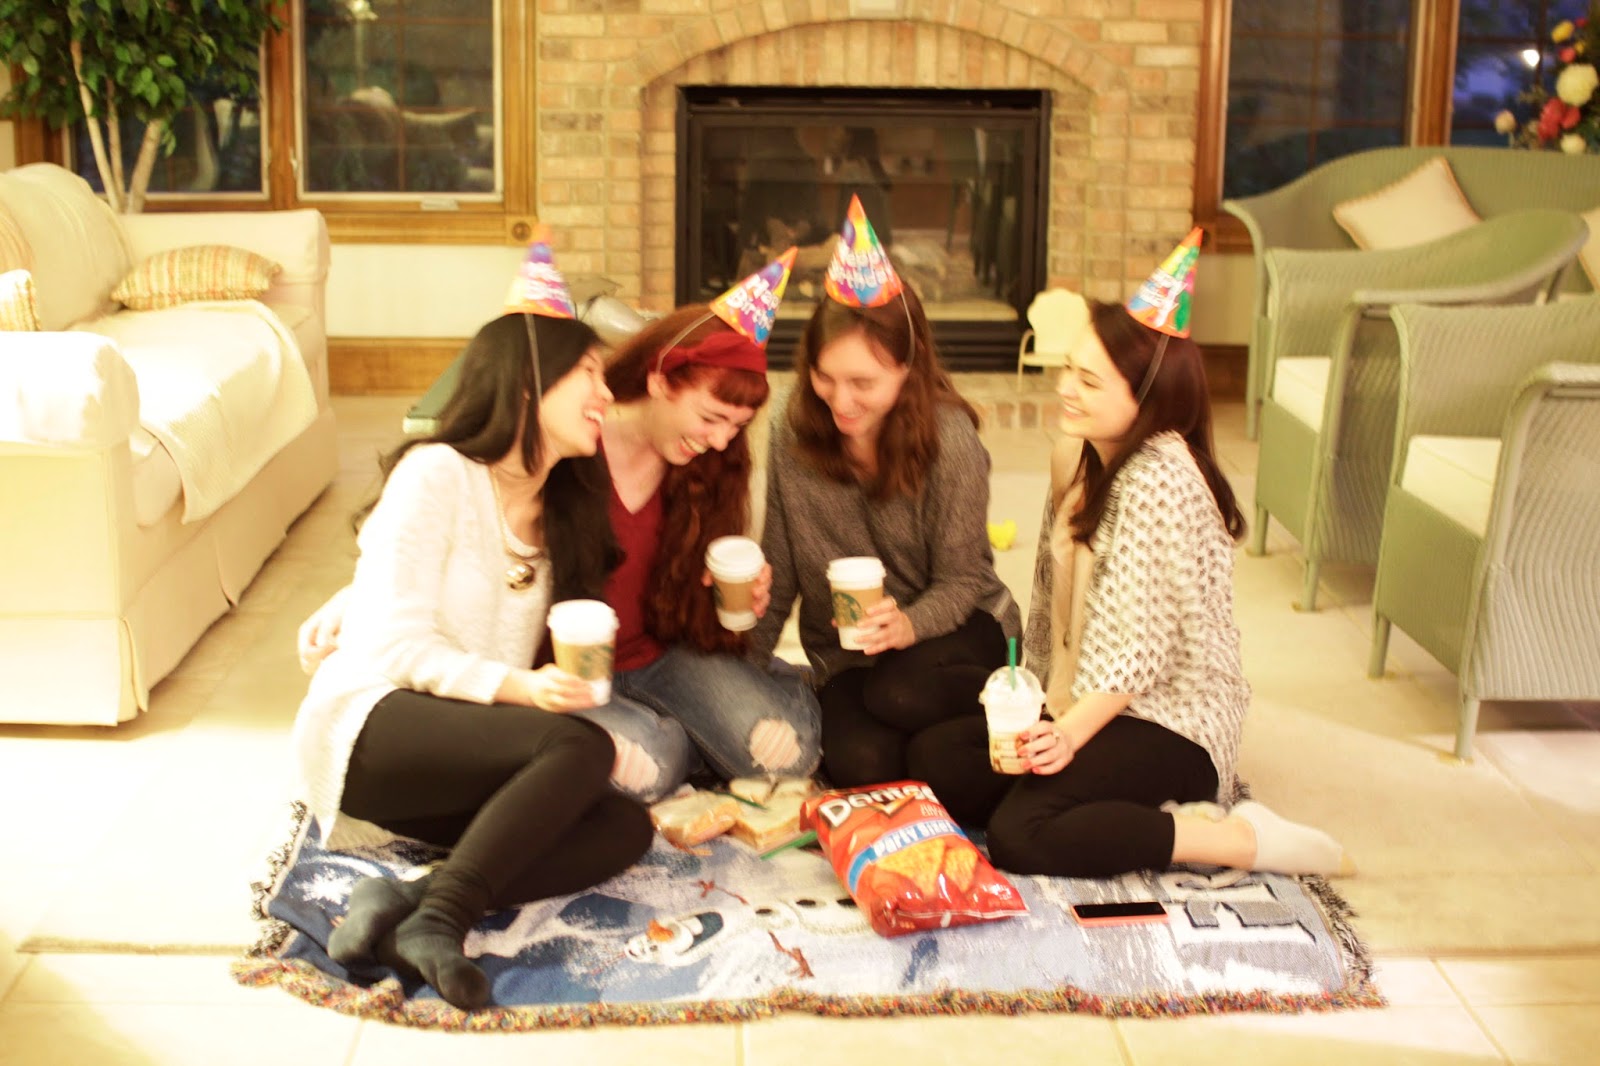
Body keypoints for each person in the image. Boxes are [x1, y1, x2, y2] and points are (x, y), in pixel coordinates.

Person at [299, 254, 821, 803]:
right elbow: (475, 525)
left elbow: (701, 601)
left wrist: (732, 600)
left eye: (737, 426)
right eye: (710, 418)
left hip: (663, 656)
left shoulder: (713, 466)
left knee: (791, 753)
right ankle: (685, 741)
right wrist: (357, 595)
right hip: (566, 668)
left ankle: (722, 715)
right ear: (659, 380)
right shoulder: (567, 441)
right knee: (642, 771)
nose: (720, 440)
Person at [913, 233, 1355, 880]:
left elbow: (1138, 657)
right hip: (1085, 696)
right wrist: (1038, 698)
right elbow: (1053, 598)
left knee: (1018, 834)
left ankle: (1235, 839)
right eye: (1069, 369)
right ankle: (1115, 805)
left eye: (1089, 381)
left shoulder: (1161, 478)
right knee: (938, 762)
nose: (1065, 388)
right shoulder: (1081, 454)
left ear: (1148, 399)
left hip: (1171, 720)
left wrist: (1066, 736)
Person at [289, 245, 654, 1011]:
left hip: (462, 742)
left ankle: (408, 900)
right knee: (577, 746)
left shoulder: (567, 509)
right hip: (374, 724)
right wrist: (523, 689)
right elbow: (393, 644)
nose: (605, 392)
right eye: (588, 372)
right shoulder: (439, 473)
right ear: (528, 383)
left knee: (623, 826)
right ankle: (443, 921)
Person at [746, 196, 1021, 788]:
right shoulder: (791, 428)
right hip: (849, 655)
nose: (840, 401)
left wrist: (908, 626)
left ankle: (1010, 696)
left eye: (863, 382)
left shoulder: (950, 439)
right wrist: (742, 670)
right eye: (825, 377)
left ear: (907, 369)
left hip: (955, 629)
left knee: (899, 694)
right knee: (862, 766)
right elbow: (781, 567)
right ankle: (947, 744)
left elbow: (963, 581)